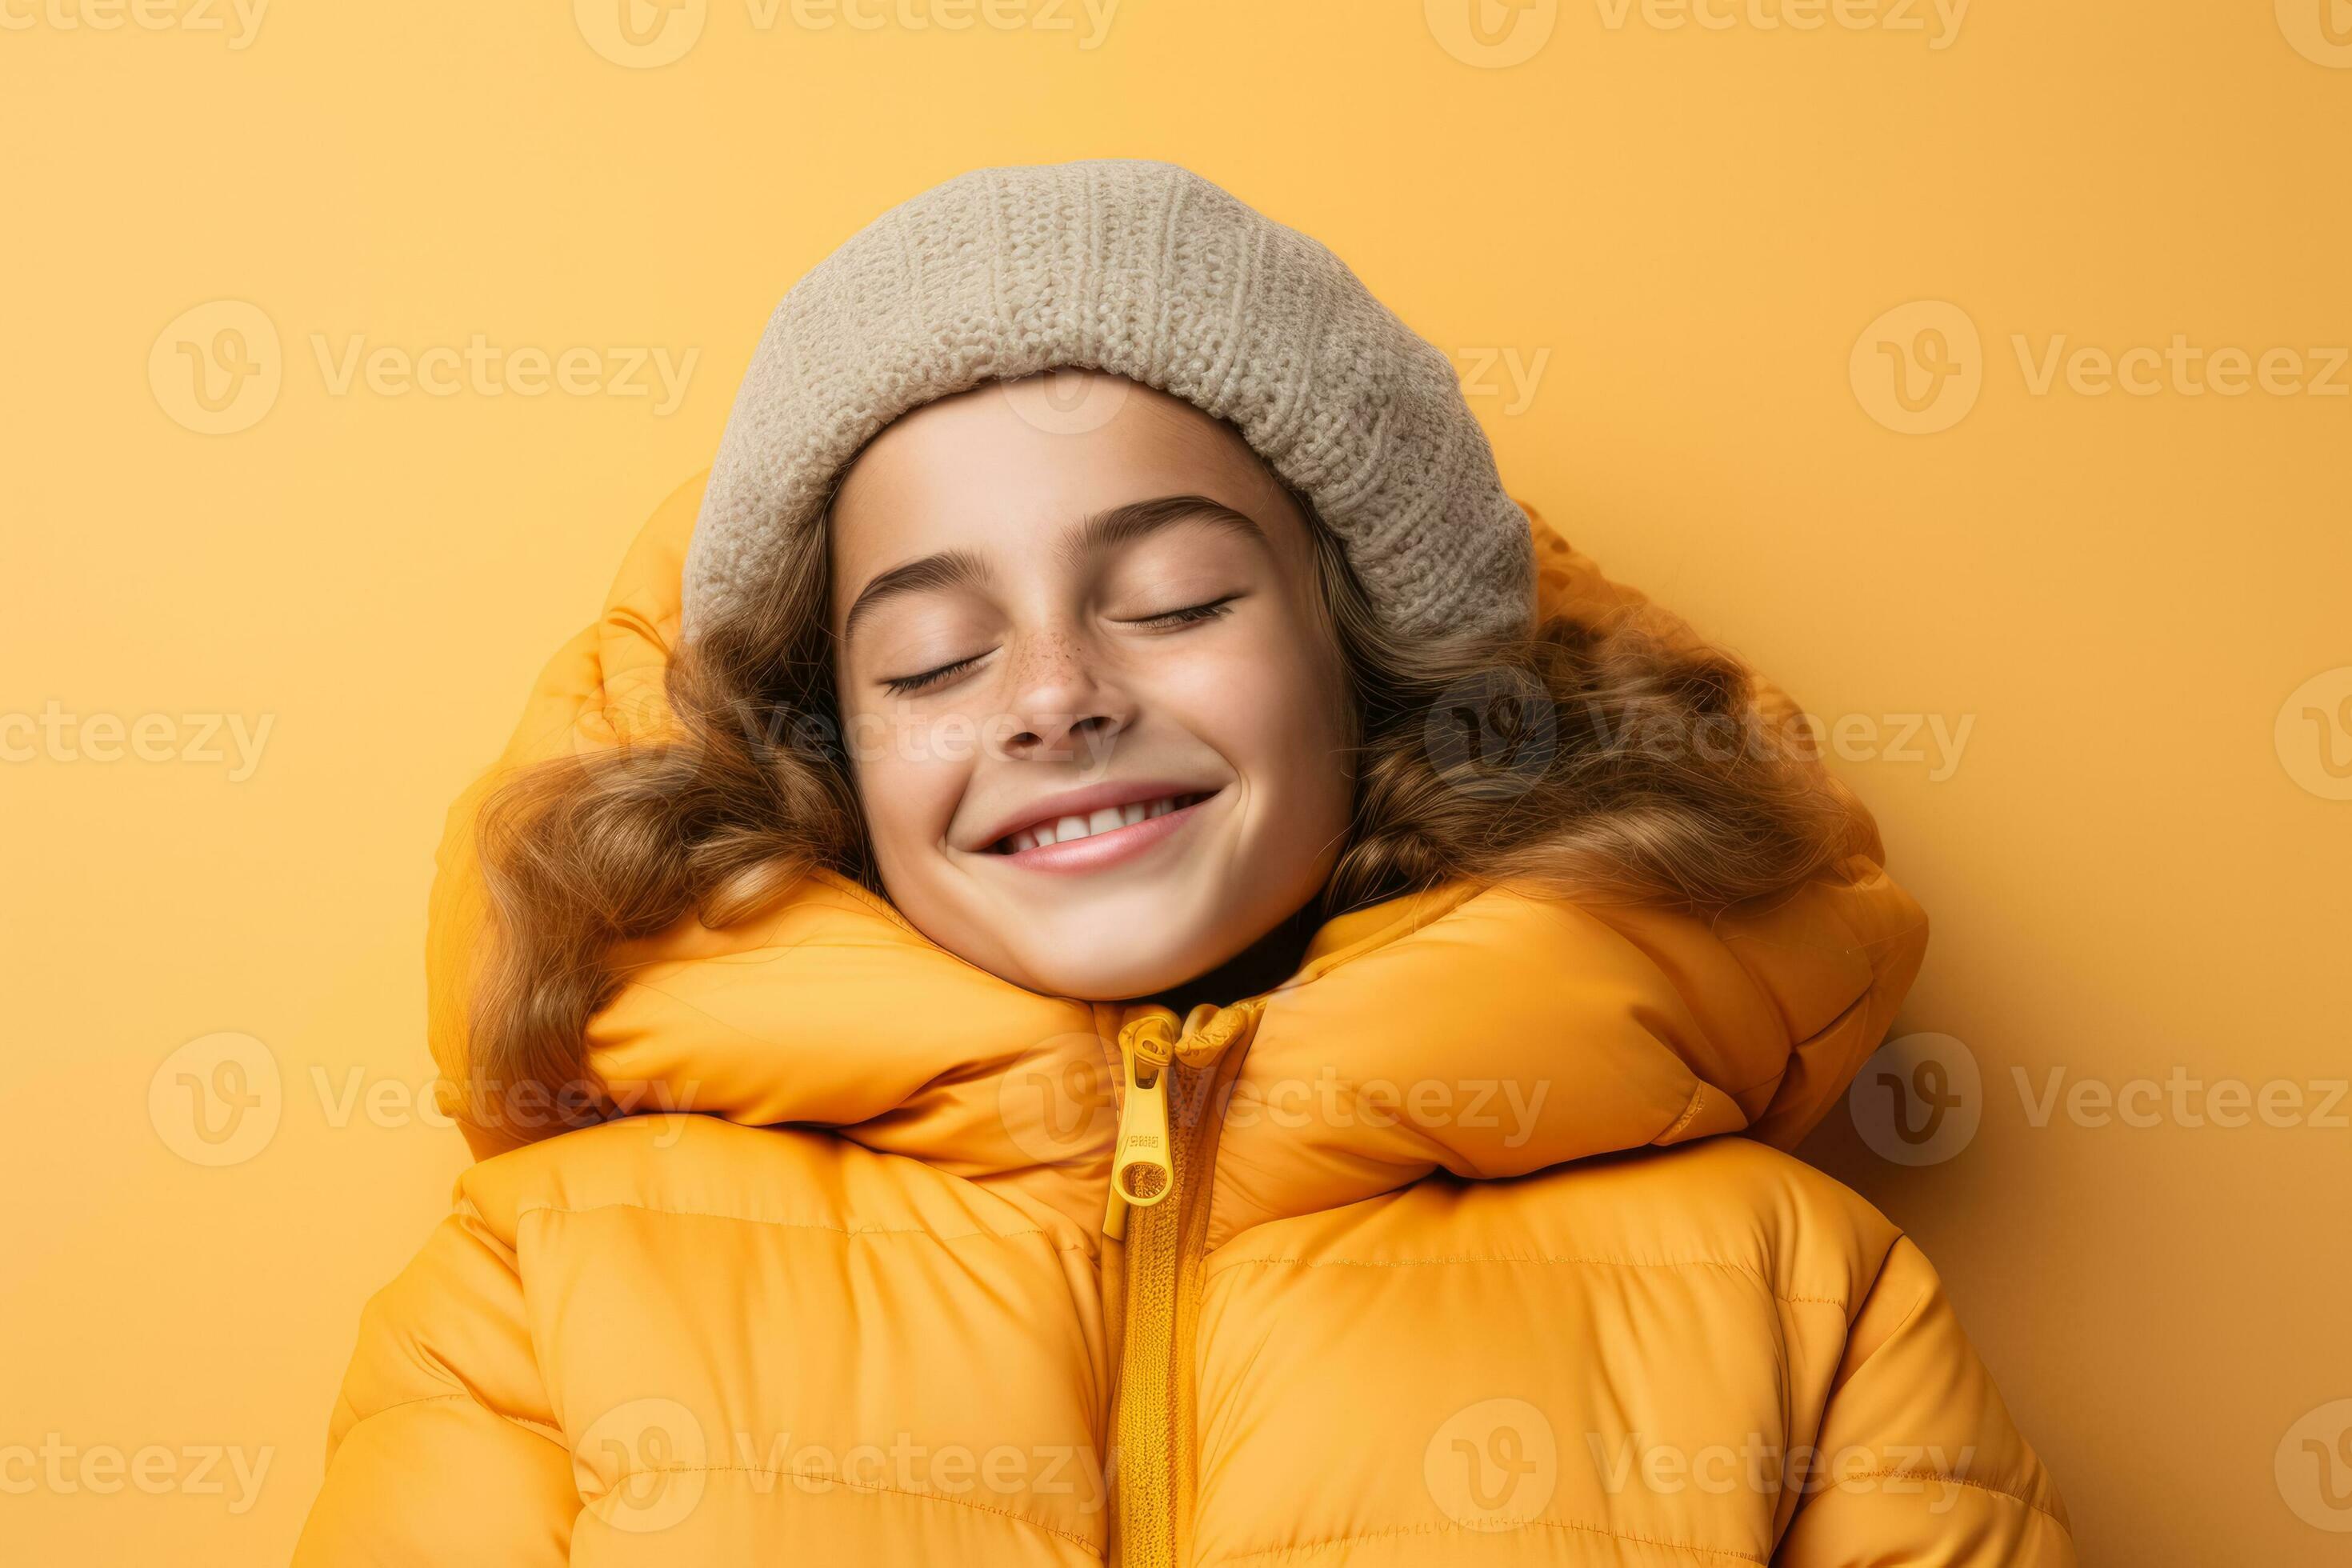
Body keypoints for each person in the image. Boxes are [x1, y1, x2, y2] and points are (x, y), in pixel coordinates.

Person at [292, 158, 2074, 1566]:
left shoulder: (1793, 1294)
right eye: (930, 656)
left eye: (1173, 602)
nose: (1058, 694)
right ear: (819, 744)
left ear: (1366, 663)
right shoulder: (544, 1279)